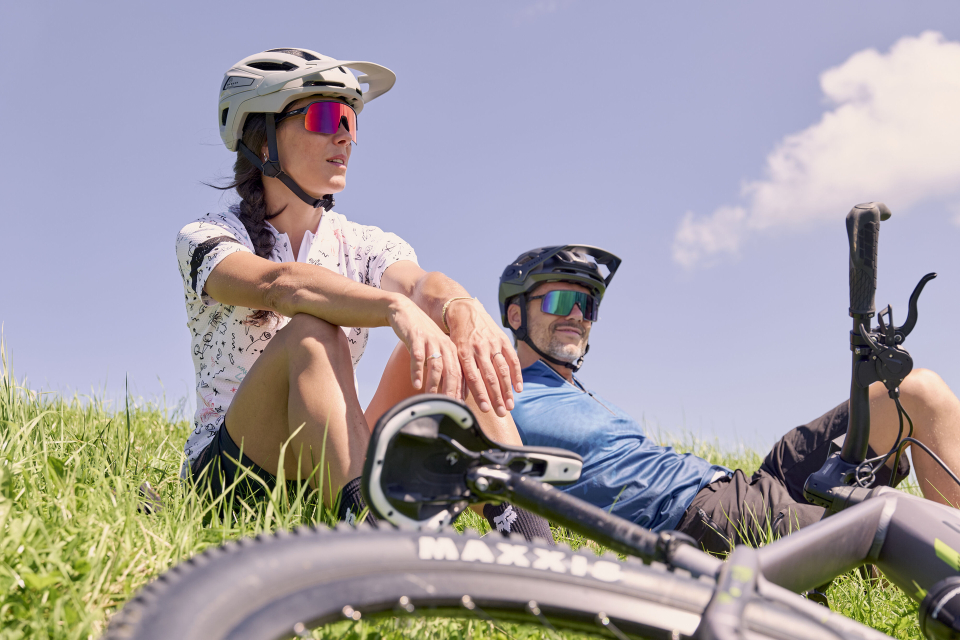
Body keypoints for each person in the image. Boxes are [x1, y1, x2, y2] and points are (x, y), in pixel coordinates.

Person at [174, 47, 552, 541]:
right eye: (326, 115)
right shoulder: (206, 237)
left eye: (351, 120)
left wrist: (462, 308)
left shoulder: (364, 242)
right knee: (311, 331)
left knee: (449, 339)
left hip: (326, 462)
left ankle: (531, 537)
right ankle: (371, 532)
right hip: (233, 478)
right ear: (262, 139)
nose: (345, 135)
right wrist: (394, 308)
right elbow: (282, 285)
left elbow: (421, 284)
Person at [500, 245, 960, 553]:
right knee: (896, 537)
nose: (577, 317)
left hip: (746, 482)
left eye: (588, 306)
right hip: (703, 517)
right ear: (515, 314)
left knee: (916, 392)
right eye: (561, 302)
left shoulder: (576, 392)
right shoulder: (501, 396)